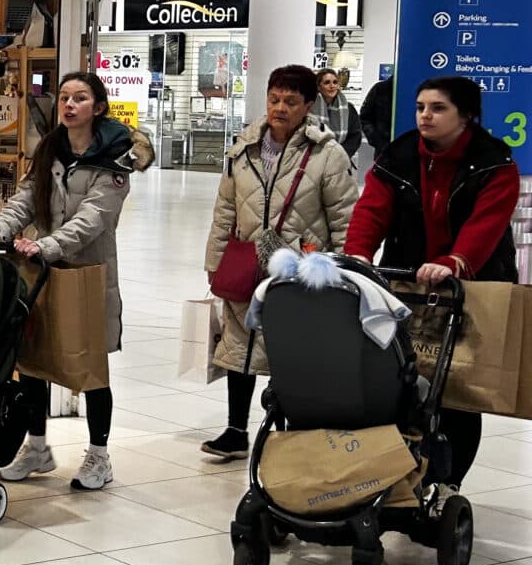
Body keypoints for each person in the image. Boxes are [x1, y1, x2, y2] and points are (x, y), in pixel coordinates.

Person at [0, 71, 152, 491]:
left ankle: (99, 457)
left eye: (80, 98)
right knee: (32, 362)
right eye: (65, 98)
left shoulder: (115, 159)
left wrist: (47, 245)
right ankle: (37, 448)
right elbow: (24, 201)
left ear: (99, 107)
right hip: (40, 271)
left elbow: (94, 218)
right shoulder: (49, 149)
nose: (70, 105)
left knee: (90, 368)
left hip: (87, 274)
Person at [344, 74, 520, 487]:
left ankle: (448, 482)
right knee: (402, 380)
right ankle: (401, 474)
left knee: (456, 390)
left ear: (466, 115)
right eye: (421, 107)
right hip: (408, 278)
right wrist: (358, 253)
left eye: (438, 108)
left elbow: (486, 225)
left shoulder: (495, 163)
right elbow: (372, 209)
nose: (425, 116)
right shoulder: (399, 154)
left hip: (472, 282)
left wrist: (454, 262)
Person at [201, 64, 360, 459]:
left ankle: (292, 436)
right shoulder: (243, 149)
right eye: (274, 99)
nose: (280, 108)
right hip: (247, 261)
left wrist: (345, 270)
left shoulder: (327, 154)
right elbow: (225, 210)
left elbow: (345, 217)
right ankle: (236, 429)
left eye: (290, 101)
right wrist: (214, 261)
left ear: (308, 105)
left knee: (293, 352)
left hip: (301, 268)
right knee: (240, 344)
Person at [310, 68, 363, 162]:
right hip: (314, 158)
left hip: (340, 159)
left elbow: (355, 136)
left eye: (335, 82)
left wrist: (340, 155)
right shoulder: (309, 107)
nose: (332, 86)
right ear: (318, 86)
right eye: (327, 82)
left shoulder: (349, 108)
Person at [361, 70, 395, 156]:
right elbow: (364, 118)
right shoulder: (380, 89)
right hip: (383, 153)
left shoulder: (417, 89)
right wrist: (379, 142)